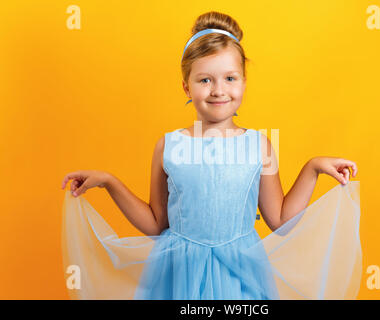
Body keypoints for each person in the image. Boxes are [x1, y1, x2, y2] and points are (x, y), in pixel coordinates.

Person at [60, 11, 362, 300]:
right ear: (186, 87)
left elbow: (281, 221)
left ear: (244, 82)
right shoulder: (169, 146)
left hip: (241, 278)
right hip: (179, 277)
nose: (219, 90)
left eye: (230, 78)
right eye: (205, 80)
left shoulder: (259, 146)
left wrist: (312, 169)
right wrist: (109, 182)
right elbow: (155, 223)